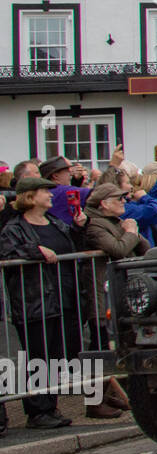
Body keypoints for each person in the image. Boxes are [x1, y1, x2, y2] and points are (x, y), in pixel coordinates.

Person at [0, 177, 124, 427]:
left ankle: (52, 406)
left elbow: (72, 248)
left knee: (58, 354)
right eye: (45, 191)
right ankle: (38, 411)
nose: (50, 195)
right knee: (38, 356)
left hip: (64, 297)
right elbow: (7, 252)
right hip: (35, 301)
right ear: (30, 197)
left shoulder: (56, 222)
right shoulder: (14, 228)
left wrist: (78, 227)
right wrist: (35, 252)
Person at [83, 184, 149, 258]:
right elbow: (118, 251)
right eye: (120, 198)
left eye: (124, 198)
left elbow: (146, 249)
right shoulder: (93, 225)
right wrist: (131, 232)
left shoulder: (116, 220)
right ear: (105, 204)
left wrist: (134, 232)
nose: (124, 201)